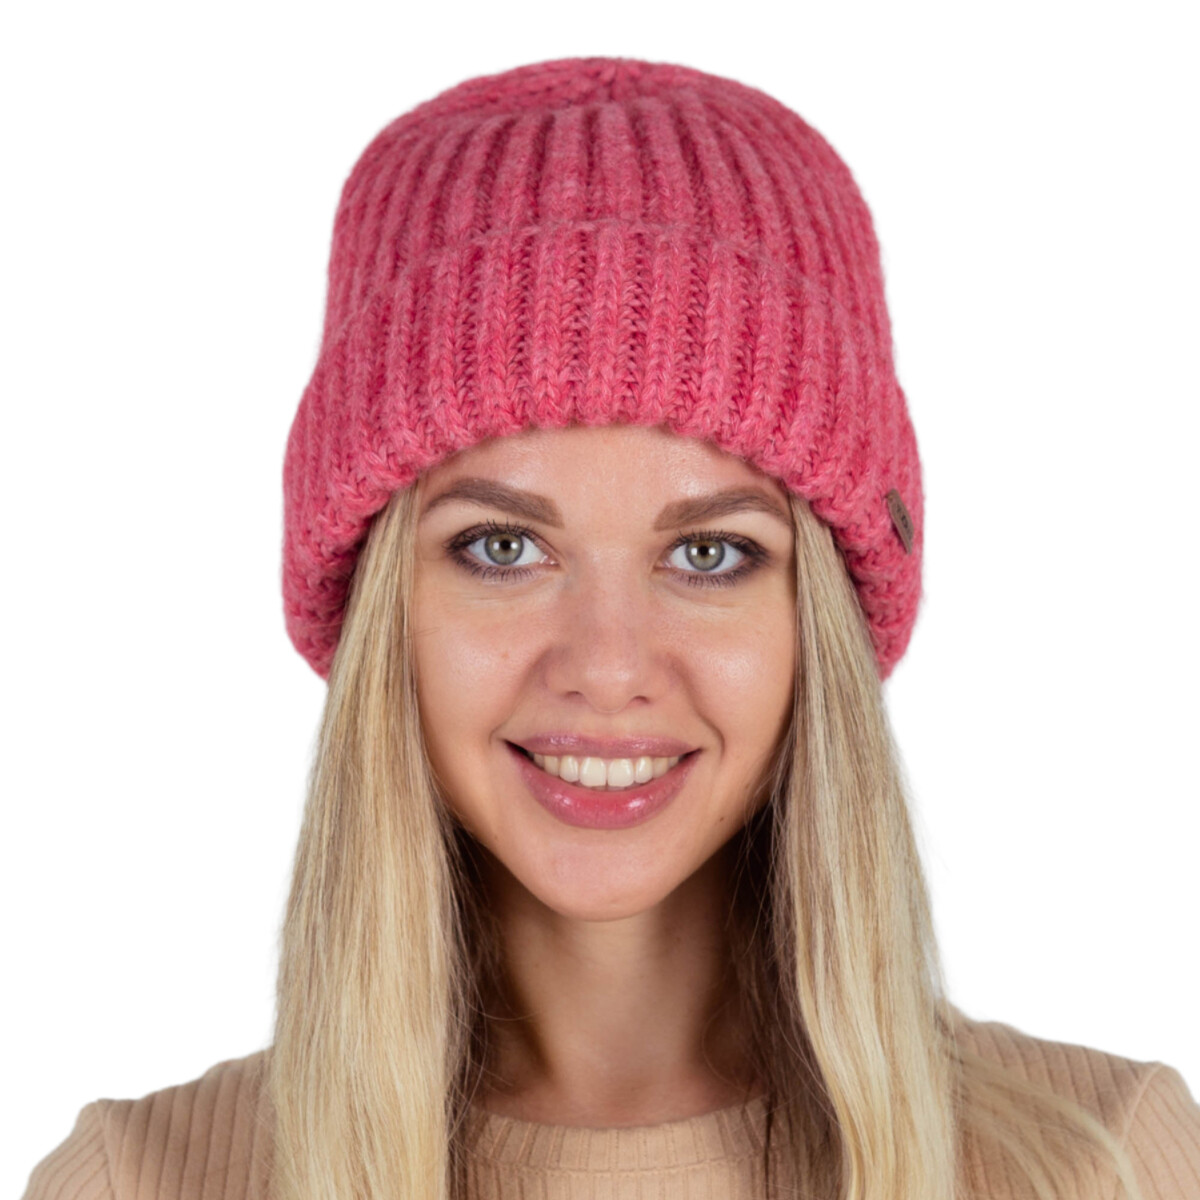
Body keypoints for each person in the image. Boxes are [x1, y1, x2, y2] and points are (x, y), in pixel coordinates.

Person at [21, 55, 1200, 1200]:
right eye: (501, 547)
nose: (607, 667)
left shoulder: (1105, 1166)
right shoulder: (143, 1184)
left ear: (822, 628)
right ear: (384, 616)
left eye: (711, 553)